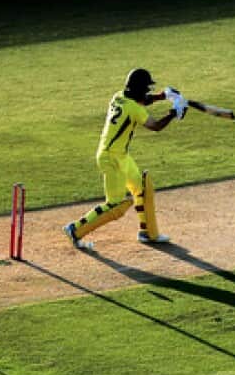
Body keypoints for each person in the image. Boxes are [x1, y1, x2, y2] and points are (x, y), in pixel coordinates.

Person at [64, 68, 187, 248]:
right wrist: (173, 113)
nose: (147, 92)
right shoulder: (134, 109)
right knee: (115, 206)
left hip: (120, 155)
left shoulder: (119, 96)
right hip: (111, 159)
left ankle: (148, 232)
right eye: (146, 89)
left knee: (141, 188)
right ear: (139, 89)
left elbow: (141, 100)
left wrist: (162, 96)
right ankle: (74, 229)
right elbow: (155, 126)